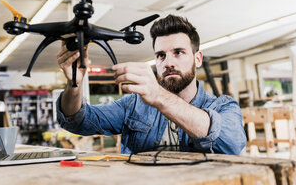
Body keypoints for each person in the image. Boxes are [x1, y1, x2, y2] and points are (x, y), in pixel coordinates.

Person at [56, 15, 246, 154]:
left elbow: (231, 143)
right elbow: (77, 120)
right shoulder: (133, 105)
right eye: (160, 55)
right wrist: (74, 84)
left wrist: (159, 97)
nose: (168, 62)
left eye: (178, 52)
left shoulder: (223, 106)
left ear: (197, 59)